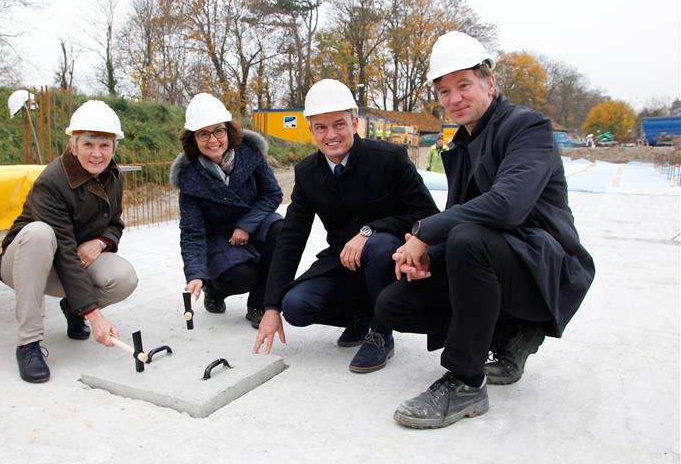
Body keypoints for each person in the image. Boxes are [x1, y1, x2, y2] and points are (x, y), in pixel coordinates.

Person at [376, 31, 595, 429]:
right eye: (444, 91)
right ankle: (510, 336)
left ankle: (465, 381)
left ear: (489, 83)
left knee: (467, 240)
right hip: (500, 262)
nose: (454, 98)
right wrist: (428, 257)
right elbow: (462, 214)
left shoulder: (527, 128)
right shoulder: (462, 144)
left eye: (463, 85)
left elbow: (507, 206)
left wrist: (424, 233)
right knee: (395, 303)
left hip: (546, 269)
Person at [253, 79, 439, 373]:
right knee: (296, 306)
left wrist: (370, 230)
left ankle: (380, 333)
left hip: (388, 260)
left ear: (354, 123)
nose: (331, 135)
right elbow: (291, 238)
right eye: (321, 127)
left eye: (339, 124)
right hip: (344, 262)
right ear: (311, 130)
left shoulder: (389, 159)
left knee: (379, 246)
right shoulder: (307, 173)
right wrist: (271, 306)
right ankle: (361, 317)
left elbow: (427, 214)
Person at [0, 100, 138, 383]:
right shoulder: (52, 182)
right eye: (88, 144)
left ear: (114, 147)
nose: (96, 153)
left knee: (123, 278)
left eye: (104, 145)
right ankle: (28, 344)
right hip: (26, 262)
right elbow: (64, 254)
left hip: (70, 259)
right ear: (73, 146)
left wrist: (100, 242)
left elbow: (114, 224)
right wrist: (94, 316)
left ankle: (73, 308)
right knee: (39, 234)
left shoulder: (113, 176)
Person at [170, 93, 282, 329]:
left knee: (280, 229)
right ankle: (214, 289)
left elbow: (272, 194)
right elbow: (192, 232)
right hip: (219, 237)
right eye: (203, 133)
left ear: (229, 131)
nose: (213, 140)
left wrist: (246, 225)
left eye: (218, 131)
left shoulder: (250, 153)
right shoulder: (189, 177)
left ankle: (259, 304)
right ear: (193, 138)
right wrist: (196, 275)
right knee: (242, 277)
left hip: (253, 223)